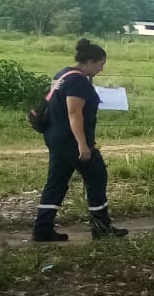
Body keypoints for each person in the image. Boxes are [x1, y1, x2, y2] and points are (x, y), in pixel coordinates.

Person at [32, 38, 126, 242]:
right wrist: (83, 145)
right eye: (100, 64)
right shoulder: (78, 81)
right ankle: (101, 228)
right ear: (90, 62)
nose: (101, 69)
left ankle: (42, 228)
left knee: (56, 182)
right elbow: (74, 113)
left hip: (55, 136)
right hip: (72, 139)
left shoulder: (62, 74)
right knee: (97, 176)